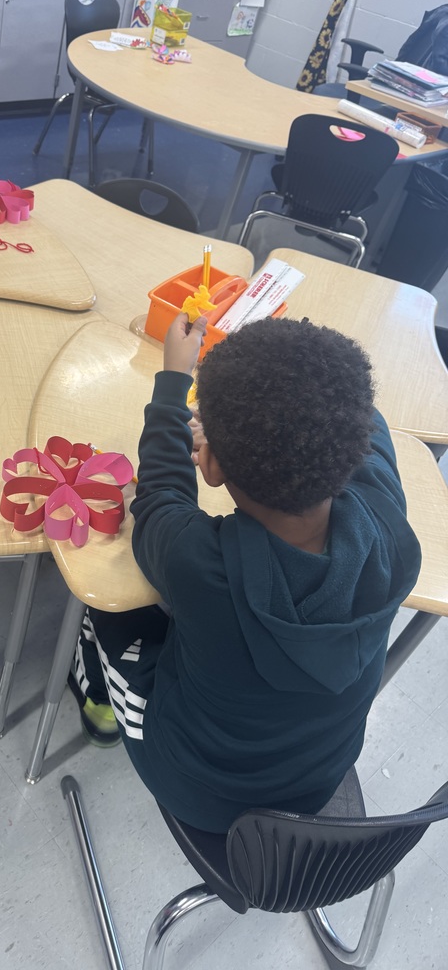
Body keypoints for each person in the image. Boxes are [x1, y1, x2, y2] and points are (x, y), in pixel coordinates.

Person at [70, 314, 422, 833]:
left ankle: (101, 705)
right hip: (316, 781)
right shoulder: (390, 525)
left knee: (107, 603)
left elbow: (160, 498)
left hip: (202, 792)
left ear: (208, 466)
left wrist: (174, 383)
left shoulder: (201, 564)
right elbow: (366, 417)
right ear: (349, 455)